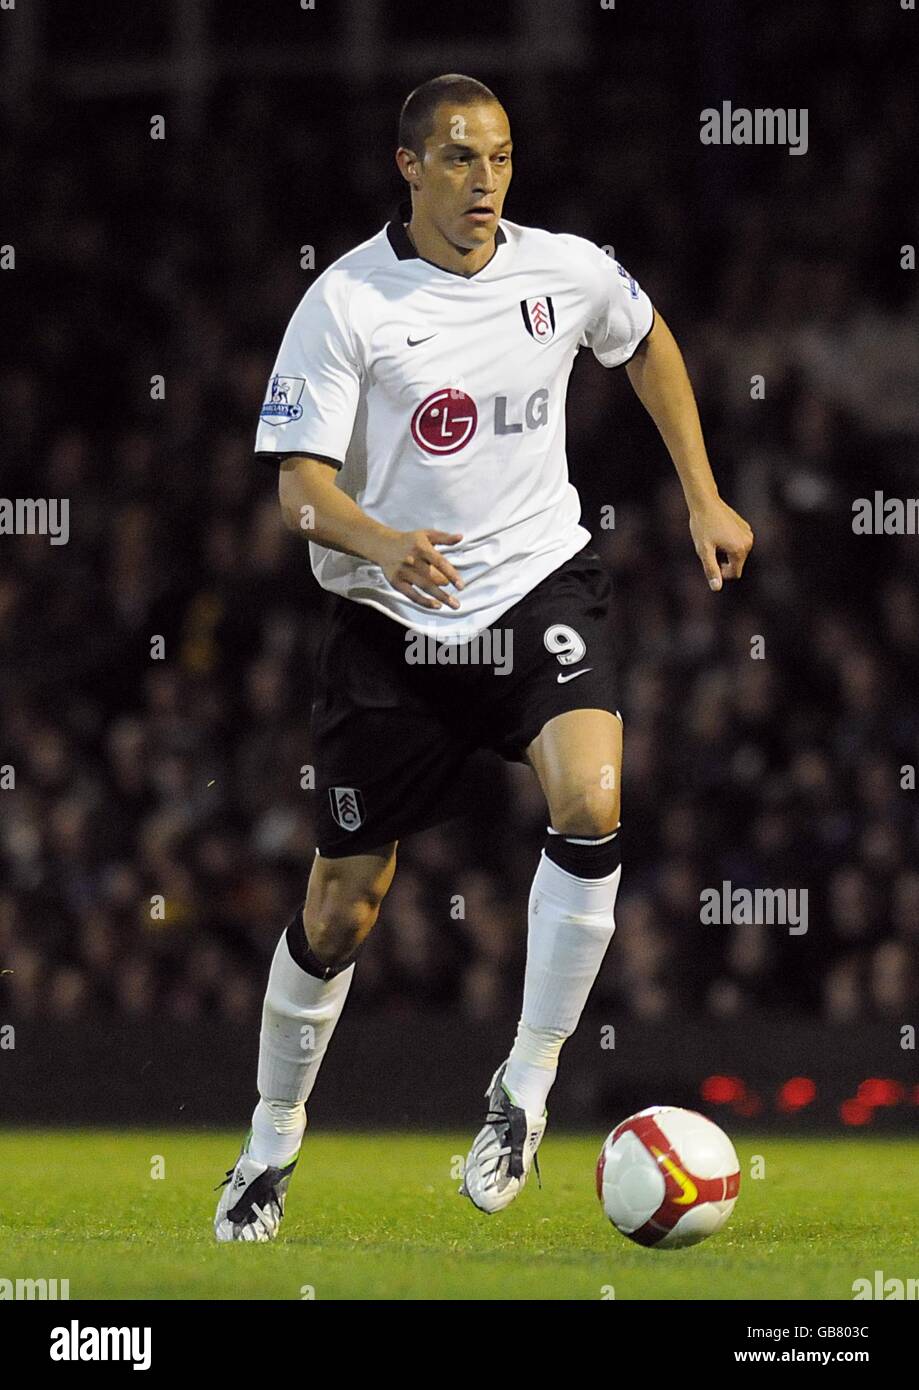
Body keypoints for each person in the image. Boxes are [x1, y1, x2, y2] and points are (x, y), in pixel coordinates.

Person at [215, 73, 753, 1242]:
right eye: (460, 159)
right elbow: (299, 493)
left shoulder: (561, 269)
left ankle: (524, 1083)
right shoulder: (346, 301)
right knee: (341, 912)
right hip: (389, 628)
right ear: (408, 166)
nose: (484, 182)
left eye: (500, 158)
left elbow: (648, 342)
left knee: (595, 797)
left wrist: (705, 497)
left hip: (534, 587)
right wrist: (381, 541)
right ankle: (268, 1142)